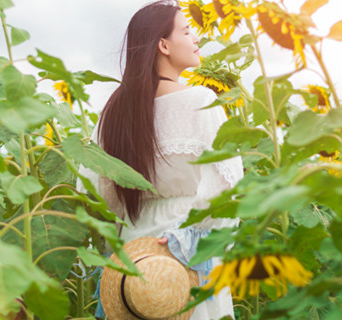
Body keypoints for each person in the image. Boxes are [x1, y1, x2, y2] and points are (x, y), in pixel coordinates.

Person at [75, 0, 244, 319]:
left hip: (134, 249)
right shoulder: (201, 101)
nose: (196, 39)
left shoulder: (115, 110)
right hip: (186, 246)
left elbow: (97, 190)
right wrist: (191, 235)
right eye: (187, 30)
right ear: (163, 45)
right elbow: (228, 188)